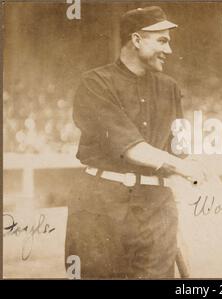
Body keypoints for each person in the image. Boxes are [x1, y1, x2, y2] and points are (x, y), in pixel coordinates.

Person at [65, 6, 208, 279]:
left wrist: (186, 173)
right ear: (137, 39)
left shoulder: (170, 88)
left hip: (157, 208)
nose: (169, 50)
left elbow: (180, 150)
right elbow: (131, 148)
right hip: (101, 206)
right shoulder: (95, 83)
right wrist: (183, 167)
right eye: (162, 40)